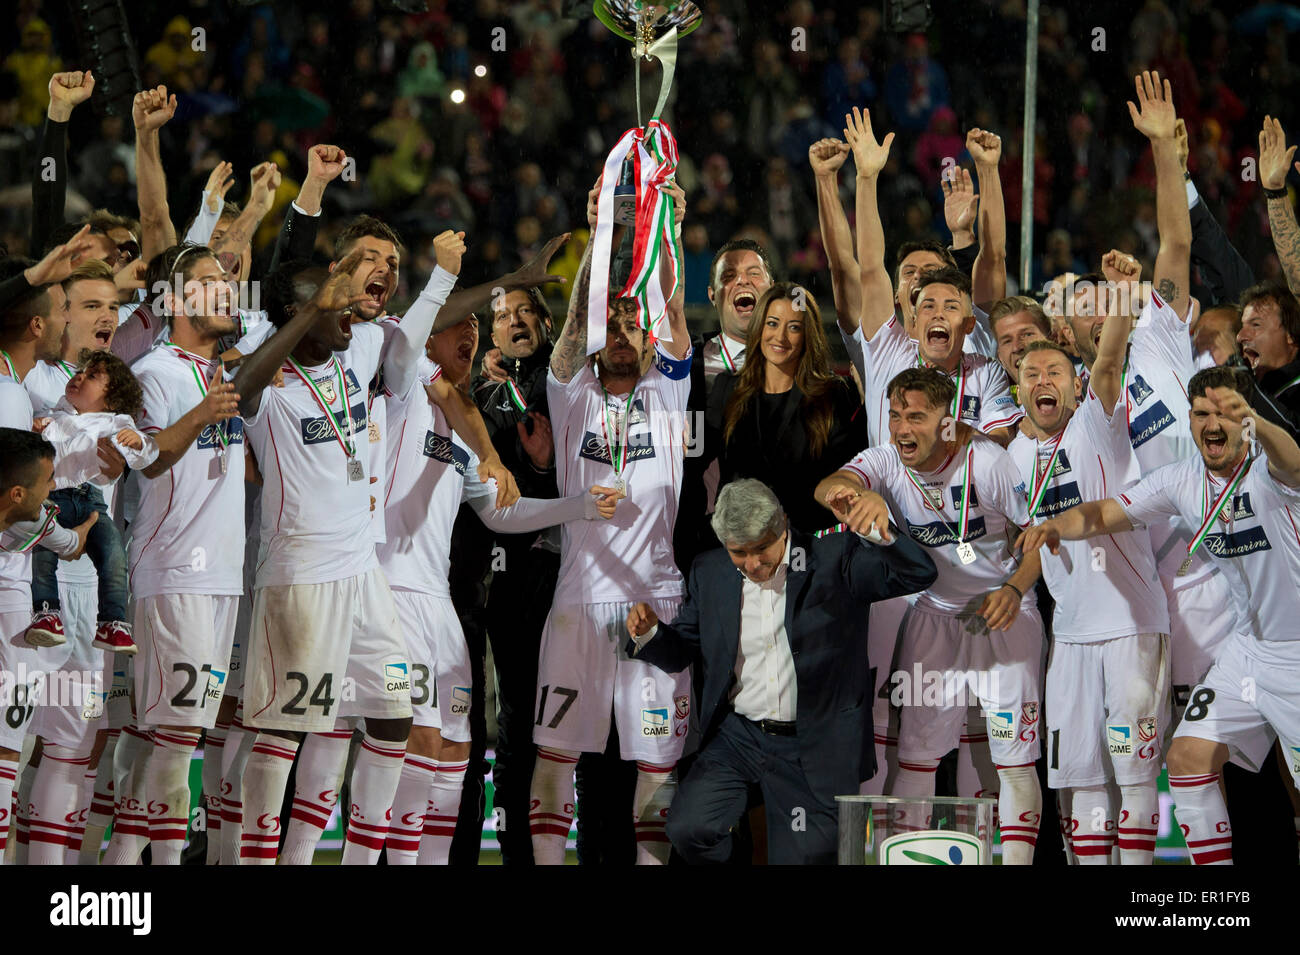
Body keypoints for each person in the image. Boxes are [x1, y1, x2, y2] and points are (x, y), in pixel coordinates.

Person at [1016, 366, 1300, 865]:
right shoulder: (1181, 480)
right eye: (1202, 414)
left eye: (1228, 414)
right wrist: (1056, 525)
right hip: (1248, 651)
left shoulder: (1269, 471)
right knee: (1186, 759)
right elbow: (1104, 513)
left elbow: (1294, 461)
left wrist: (1259, 422)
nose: (1214, 425)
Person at [380, 312, 619, 864]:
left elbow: (500, 513)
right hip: (389, 592)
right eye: (454, 326)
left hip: (436, 603)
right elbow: (415, 350)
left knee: (457, 747)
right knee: (409, 742)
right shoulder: (398, 387)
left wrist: (578, 506)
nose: (469, 334)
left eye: (473, 327)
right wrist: (444, 284)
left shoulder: (464, 438)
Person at [624, 478, 937, 864]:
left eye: (761, 549)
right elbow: (682, 651)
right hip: (739, 738)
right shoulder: (710, 571)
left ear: (783, 525)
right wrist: (650, 633)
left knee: (805, 858)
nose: (752, 564)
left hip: (814, 743)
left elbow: (919, 575)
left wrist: (881, 534)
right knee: (691, 828)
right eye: (739, 552)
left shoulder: (834, 558)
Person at [814, 368, 1045, 863]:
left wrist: (1013, 587)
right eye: (895, 415)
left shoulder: (990, 462)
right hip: (934, 617)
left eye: (915, 417)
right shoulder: (887, 460)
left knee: (1015, 763)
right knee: (915, 759)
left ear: (947, 422)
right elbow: (826, 487)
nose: (900, 428)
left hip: (1002, 614)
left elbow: (1038, 543)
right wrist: (856, 495)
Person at [528, 175, 692, 866]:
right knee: (554, 758)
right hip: (578, 603)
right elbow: (570, 330)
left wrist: (670, 232)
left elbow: (674, 311)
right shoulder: (570, 396)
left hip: (656, 599)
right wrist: (601, 238)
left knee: (657, 770)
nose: (622, 332)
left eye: (634, 321)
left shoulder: (670, 390)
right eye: (612, 322)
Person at [1009, 280, 1170, 864]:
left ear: (1075, 385)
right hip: (1070, 637)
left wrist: (1125, 296)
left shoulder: (1097, 421)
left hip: (1130, 625)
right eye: (1031, 374)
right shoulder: (1014, 458)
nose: (1043, 381)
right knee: (1080, 779)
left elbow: (1108, 358)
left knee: (1132, 777)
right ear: (1018, 388)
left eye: (1055, 371)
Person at [705, 282, 867, 533]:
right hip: (743, 545)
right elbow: (699, 459)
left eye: (793, 327)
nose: (779, 337)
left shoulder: (834, 394)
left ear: (807, 335)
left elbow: (852, 470)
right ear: (759, 327)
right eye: (772, 323)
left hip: (810, 545)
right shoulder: (728, 388)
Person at [27, 351, 157, 654]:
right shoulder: (53, 416)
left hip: (91, 500)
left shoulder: (115, 422)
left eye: (92, 375)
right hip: (51, 498)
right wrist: (35, 429)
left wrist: (139, 443)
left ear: (111, 400)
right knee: (42, 554)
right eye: (81, 371)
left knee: (113, 554)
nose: (80, 376)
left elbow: (144, 455)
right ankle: (46, 613)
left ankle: (113, 622)